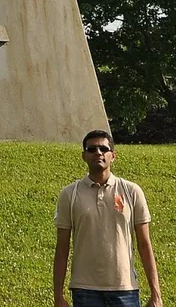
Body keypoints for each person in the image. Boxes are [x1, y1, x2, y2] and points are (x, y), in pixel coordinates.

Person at [52, 129, 163, 307]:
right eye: (92, 149)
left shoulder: (131, 191)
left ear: (113, 155)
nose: (98, 153)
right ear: (83, 156)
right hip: (84, 290)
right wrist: (58, 295)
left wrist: (156, 294)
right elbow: (62, 247)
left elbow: (144, 243)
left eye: (104, 149)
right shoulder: (69, 194)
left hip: (125, 289)